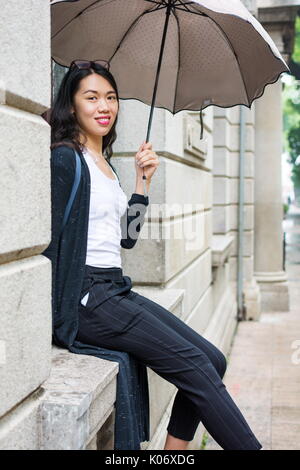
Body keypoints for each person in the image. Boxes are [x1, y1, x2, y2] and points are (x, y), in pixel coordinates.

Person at [42, 59, 262, 451]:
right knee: (196, 368)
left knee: (212, 361)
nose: (103, 106)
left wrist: (142, 182)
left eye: (110, 97)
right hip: (89, 297)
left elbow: (125, 240)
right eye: (91, 97)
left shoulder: (105, 165)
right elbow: (47, 240)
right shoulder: (65, 158)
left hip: (113, 289)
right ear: (71, 105)